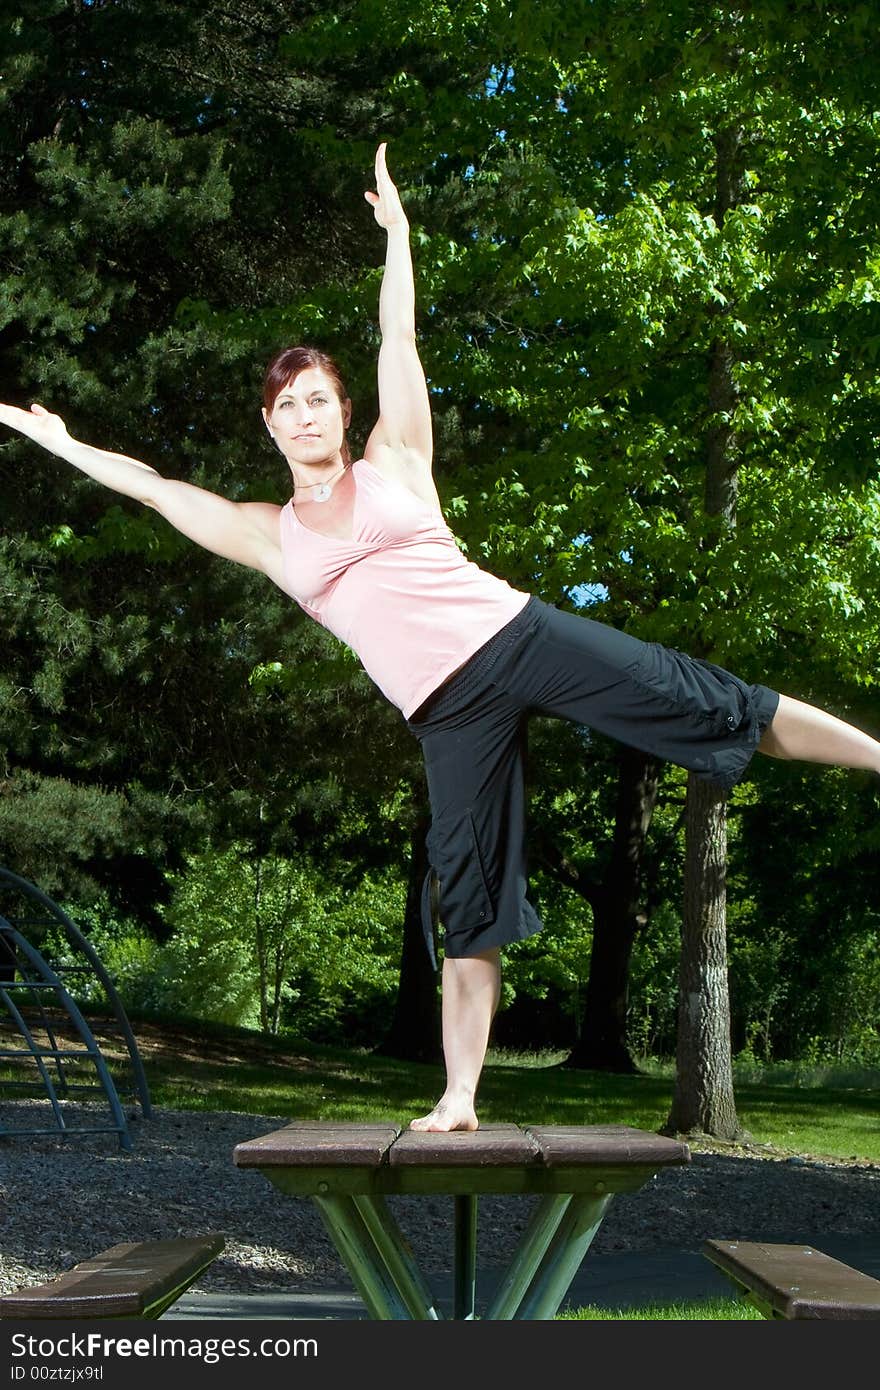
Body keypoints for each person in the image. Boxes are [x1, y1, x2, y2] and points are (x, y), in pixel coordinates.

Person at [3, 144, 880, 1133]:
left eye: (317, 397)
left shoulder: (395, 456)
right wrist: (65, 443)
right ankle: (459, 1095)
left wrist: (399, 238)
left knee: (704, 698)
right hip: (443, 710)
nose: (304, 413)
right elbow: (159, 489)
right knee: (466, 895)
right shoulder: (269, 534)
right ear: (269, 426)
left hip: (516, 635)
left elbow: (397, 335)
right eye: (286, 404)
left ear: (343, 410)